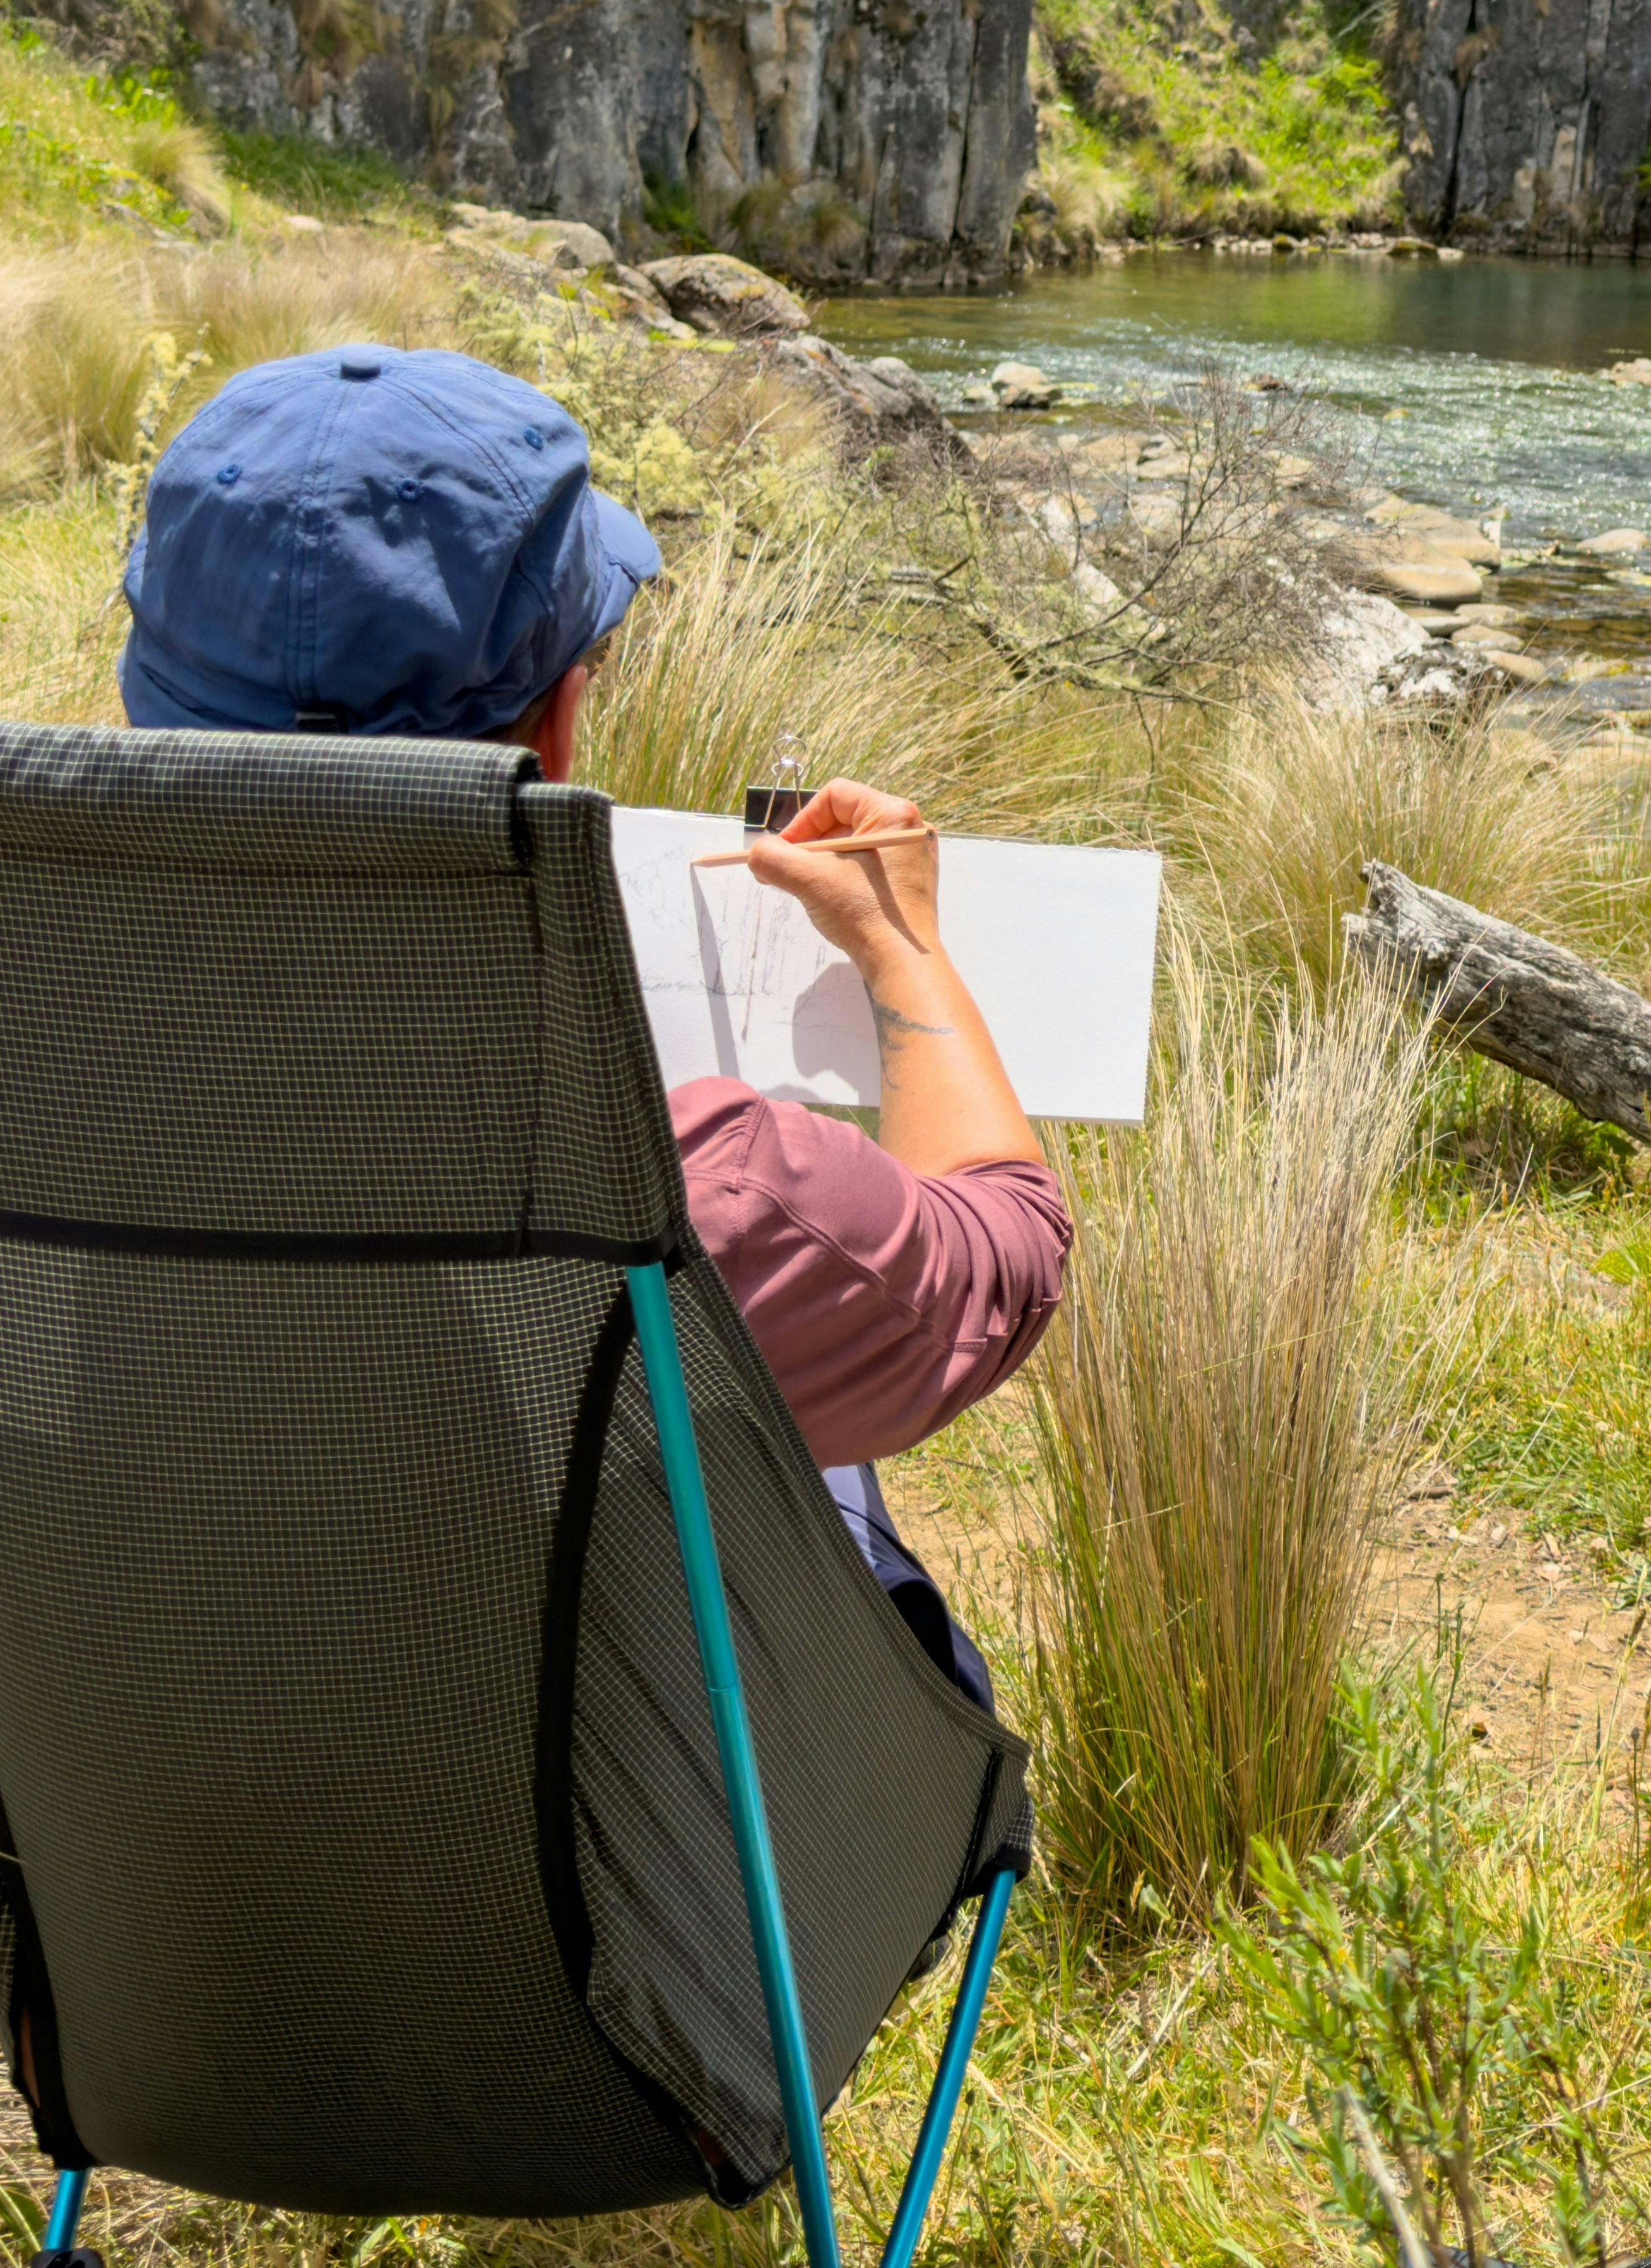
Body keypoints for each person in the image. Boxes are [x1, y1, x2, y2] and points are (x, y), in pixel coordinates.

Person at [112, 340, 1062, 1698]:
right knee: (809, 1461)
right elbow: (1007, 1253)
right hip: (599, 1885)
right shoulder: (695, 1197)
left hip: (145, 1852)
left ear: (145, 699)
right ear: (556, 734)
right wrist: (900, 950)